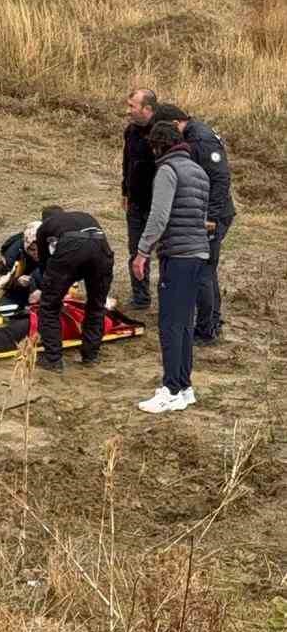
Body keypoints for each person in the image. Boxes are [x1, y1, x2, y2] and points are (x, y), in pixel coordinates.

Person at [133, 121, 209, 414]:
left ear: (158, 146)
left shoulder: (168, 170)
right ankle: (184, 387)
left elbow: (159, 216)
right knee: (184, 324)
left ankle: (171, 390)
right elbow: (201, 215)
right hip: (198, 254)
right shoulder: (199, 171)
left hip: (178, 256)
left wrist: (142, 252)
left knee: (169, 324)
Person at [152, 104, 235, 343]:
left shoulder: (201, 140)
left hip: (211, 216)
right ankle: (211, 321)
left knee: (204, 271)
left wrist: (211, 216)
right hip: (202, 210)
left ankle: (206, 329)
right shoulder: (192, 136)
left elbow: (220, 178)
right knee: (206, 271)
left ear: (176, 123)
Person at [34, 206, 114, 372]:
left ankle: (53, 359)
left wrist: (52, 289)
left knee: (49, 306)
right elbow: (89, 250)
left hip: (72, 246)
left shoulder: (45, 228)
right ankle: (90, 355)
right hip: (101, 249)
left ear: (44, 220)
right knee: (96, 305)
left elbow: (45, 265)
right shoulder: (83, 216)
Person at [121, 87, 157, 309]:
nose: (128, 111)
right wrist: (125, 191)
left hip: (159, 205)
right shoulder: (131, 131)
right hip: (135, 203)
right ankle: (140, 297)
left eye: (132, 106)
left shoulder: (162, 132)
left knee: (166, 253)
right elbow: (127, 162)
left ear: (147, 108)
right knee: (135, 250)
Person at [0, 222, 42, 313]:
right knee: (5, 310)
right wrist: (18, 282)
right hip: (20, 289)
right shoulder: (13, 253)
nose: (37, 254)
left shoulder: (55, 250)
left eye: (41, 249)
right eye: (32, 249)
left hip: (49, 289)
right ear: (26, 245)